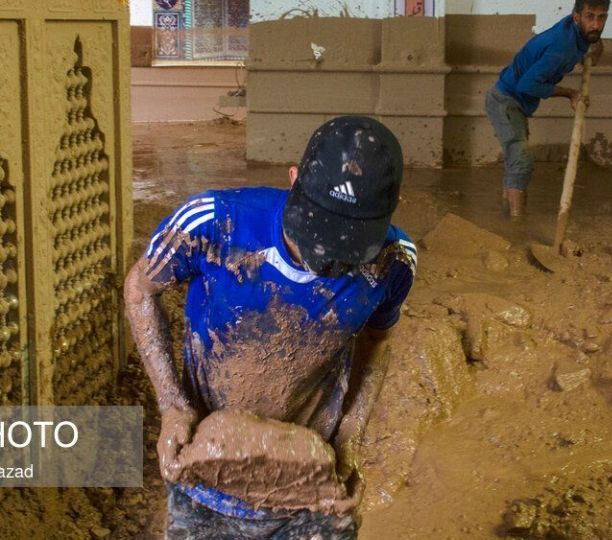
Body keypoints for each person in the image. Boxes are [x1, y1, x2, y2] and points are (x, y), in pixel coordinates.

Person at [123, 116, 417, 538]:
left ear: (389, 211)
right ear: (293, 179)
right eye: (315, 233)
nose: (324, 260)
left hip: (313, 484)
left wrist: (351, 435)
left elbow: (378, 339)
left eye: (345, 247)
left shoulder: (394, 261)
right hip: (207, 468)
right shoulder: (215, 223)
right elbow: (139, 288)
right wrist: (171, 406)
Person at [485, 0, 609, 218]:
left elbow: (589, 49)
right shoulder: (561, 47)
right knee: (521, 161)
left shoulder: (575, 32)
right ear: (576, 16)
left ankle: (506, 218)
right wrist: (570, 93)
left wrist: (597, 45)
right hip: (505, 101)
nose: (596, 24)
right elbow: (528, 84)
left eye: (601, 17)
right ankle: (517, 224)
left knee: (516, 160)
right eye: (590, 16)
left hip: (514, 102)